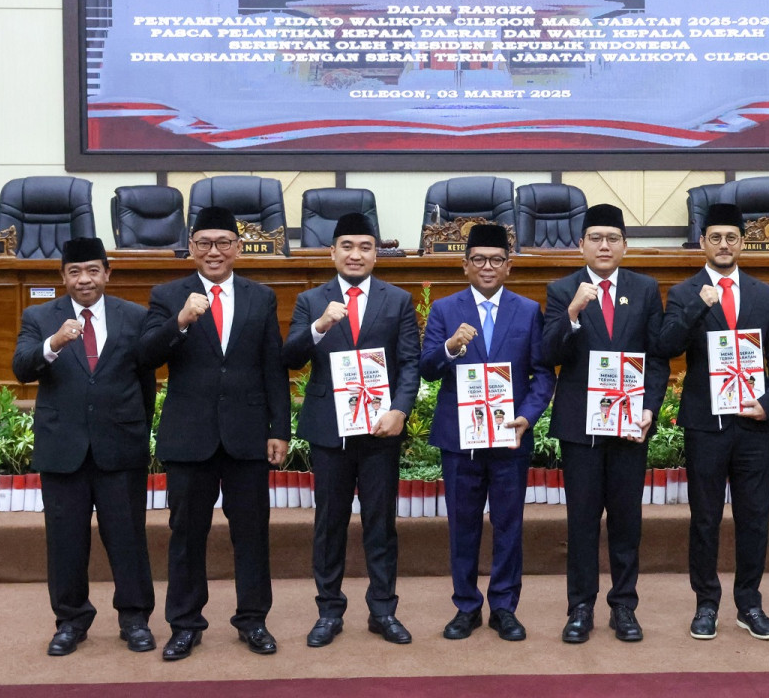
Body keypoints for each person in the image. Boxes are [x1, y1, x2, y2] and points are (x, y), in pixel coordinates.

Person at [139, 206, 290, 660]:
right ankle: (185, 624)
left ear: (239, 249)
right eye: (204, 243)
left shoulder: (260, 297)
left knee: (252, 533)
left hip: (247, 436)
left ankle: (253, 620)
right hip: (190, 436)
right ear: (191, 249)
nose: (214, 251)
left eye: (224, 242)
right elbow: (145, 355)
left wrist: (279, 429)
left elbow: (273, 369)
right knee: (186, 534)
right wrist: (181, 321)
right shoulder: (167, 295)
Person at [281, 212, 420, 647]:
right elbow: (290, 358)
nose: (355, 255)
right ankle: (328, 611)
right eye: (347, 246)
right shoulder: (311, 300)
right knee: (330, 523)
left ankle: (383, 610)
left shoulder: (397, 300)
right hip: (330, 431)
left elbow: (411, 363)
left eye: (365, 247)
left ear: (377, 254)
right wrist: (321, 325)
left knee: (381, 523)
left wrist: (400, 409)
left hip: (380, 430)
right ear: (332, 252)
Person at [12, 237, 156, 657]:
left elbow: (144, 381)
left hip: (119, 447)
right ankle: (71, 621)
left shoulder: (135, 316)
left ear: (108, 273)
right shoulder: (39, 316)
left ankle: (134, 619)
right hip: (64, 450)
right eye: (74, 272)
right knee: (66, 541)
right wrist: (54, 343)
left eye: (93, 270)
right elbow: (22, 368)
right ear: (62, 277)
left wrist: (134, 429)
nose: (84, 279)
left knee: (128, 538)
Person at [657, 204, 769, 641]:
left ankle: (749, 604)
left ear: (741, 242)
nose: (723, 245)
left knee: (755, 517)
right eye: (715, 237)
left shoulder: (763, 293)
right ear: (702, 243)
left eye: (731, 237)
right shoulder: (684, 292)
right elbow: (667, 345)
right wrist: (699, 306)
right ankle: (706, 604)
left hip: (753, 422)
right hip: (705, 423)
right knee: (705, 518)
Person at [419, 223, 556, 642]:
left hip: (509, 437)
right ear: (464, 266)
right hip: (460, 440)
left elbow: (542, 374)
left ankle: (504, 608)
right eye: (478, 259)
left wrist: (527, 417)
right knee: (463, 525)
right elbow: (426, 367)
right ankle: (466, 607)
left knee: (508, 523)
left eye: (496, 260)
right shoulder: (444, 310)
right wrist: (451, 347)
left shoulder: (529, 310)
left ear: (509, 266)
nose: (487, 267)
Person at [542, 204, 670, 643]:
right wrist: (573, 314)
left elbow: (657, 359)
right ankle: (580, 608)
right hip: (581, 428)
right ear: (580, 245)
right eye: (595, 238)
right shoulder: (562, 290)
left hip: (631, 426)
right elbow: (548, 354)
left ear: (624, 245)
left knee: (626, 521)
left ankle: (624, 607)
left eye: (612, 238)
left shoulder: (646, 288)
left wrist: (650, 407)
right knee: (581, 521)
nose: (603, 245)